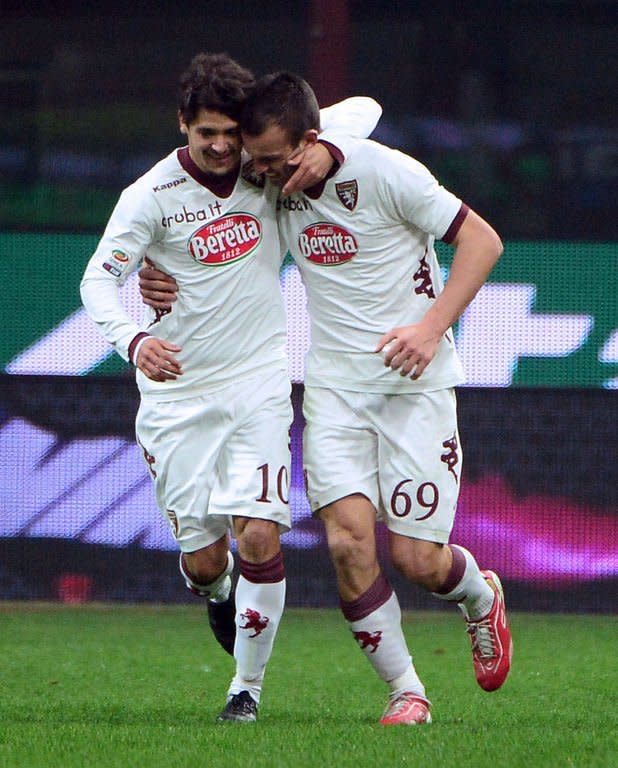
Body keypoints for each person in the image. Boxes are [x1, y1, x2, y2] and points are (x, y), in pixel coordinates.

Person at [80, 53, 381, 724]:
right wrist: (135, 337)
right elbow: (96, 281)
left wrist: (324, 148)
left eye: (229, 133)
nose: (219, 147)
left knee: (260, 538)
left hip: (258, 383)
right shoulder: (149, 197)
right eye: (204, 133)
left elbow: (365, 110)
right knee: (206, 558)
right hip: (178, 397)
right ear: (181, 124)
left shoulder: (262, 164)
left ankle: (245, 692)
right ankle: (216, 594)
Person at [237, 72, 512, 726]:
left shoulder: (387, 172)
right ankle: (406, 692)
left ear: (310, 140)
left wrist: (430, 328)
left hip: (415, 386)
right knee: (347, 544)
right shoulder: (268, 177)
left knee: (418, 560)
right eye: (259, 161)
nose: (266, 174)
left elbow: (484, 241)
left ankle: (479, 594)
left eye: (277, 160)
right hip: (334, 390)